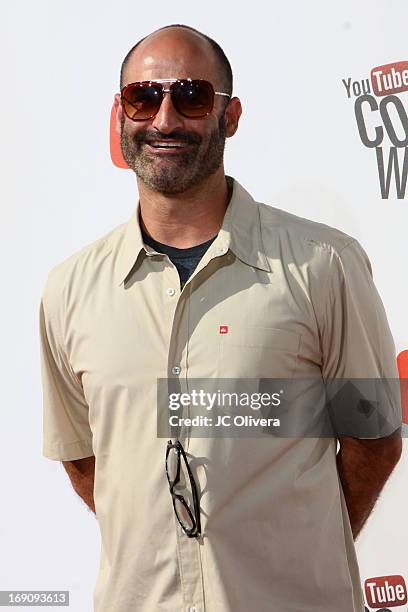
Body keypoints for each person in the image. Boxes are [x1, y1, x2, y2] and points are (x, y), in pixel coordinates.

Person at [39, 23, 402, 612]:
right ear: (120, 114)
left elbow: (375, 441)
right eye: (143, 97)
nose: (163, 120)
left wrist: (291, 553)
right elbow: (85, 458)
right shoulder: (70, 288)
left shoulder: (324, 265)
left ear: (228, 117)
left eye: (190, 97)